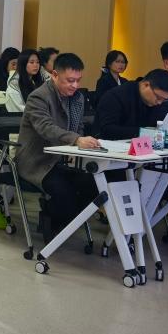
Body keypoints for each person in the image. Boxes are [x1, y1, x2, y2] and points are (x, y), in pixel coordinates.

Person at [15, 53, 100, 238]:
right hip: (38, 161)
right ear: (54, 75)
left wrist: (80, 143)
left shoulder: (77, 98)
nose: (75, 85)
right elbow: (46, 128)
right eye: (70, 80)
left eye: (78, 80)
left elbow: (78, 127)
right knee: (64, 192)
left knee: (94, 185)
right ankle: (53, 219)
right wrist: (76, 140)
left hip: (65, 160)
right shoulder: (38, 97)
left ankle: (56, 218)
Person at [94, 69, 168, 140]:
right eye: (158, 97)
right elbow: (108, 130)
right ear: (146, 85)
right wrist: (143, 132)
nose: (159, 102)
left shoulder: (155, 102)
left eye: (164, 99)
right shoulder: (115, 96)